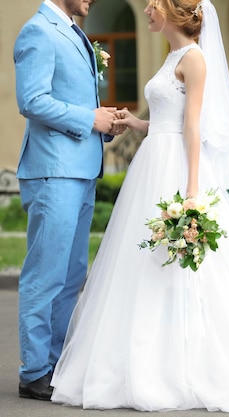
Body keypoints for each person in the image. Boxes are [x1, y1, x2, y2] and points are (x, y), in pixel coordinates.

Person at [50, 0, 229, 412]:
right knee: (141, 262)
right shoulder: (173, 56)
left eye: (152, 5)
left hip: (178, 167)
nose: (146, 10)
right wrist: (135, 124)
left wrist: (192, 189)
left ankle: (185, 363)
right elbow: (170, 119)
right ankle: (138, 358)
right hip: (154, 162)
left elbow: (193, 126)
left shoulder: (195, 59)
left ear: (172, 12)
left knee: (181, 265)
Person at [13, 0, 123, 401]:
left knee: (72, 273)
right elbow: (32, 100)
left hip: (81, 168)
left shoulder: (72, 31)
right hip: (53, 171)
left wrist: (103, 121)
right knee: (46, 274)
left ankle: (55, 364)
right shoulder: (38, 31)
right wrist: (87, 119)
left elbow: (69, 99)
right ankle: (34, 371)